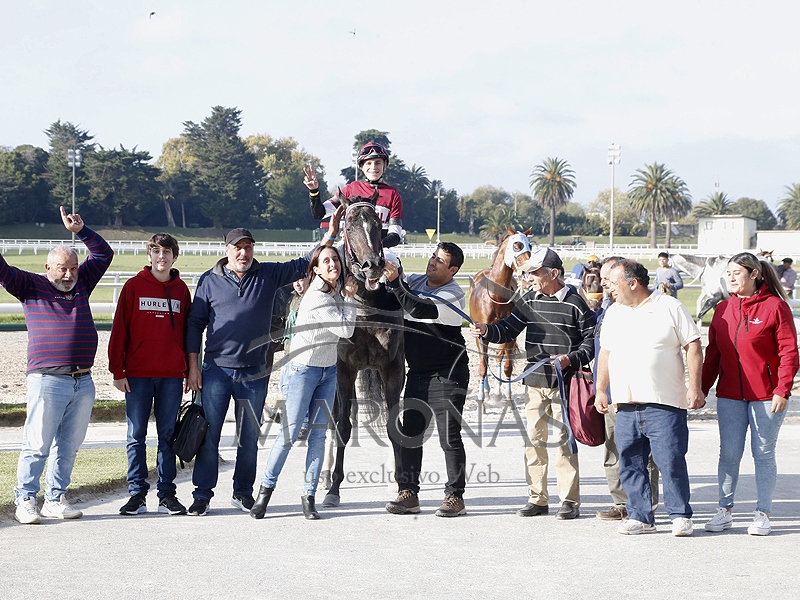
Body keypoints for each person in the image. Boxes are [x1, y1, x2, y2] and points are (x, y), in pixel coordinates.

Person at [185, 214, 340, 517]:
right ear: (227, 250)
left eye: (248, 247)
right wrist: (193, 367)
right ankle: (202, 495)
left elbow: (304, 263)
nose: (243, 253)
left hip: (255, 372)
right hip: (216, 371)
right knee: (209, 435)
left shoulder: (267, 274)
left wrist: (330, 235)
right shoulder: (208, 280)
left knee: (249, 438)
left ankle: (243, 493)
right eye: (238, 247)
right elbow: (194, 325)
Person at [470, 248, 595, 520]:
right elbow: (507, 329)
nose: (529, 278)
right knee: (534, 441)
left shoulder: (576, 303)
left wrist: (570, 359)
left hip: (566, 383)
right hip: (535, 381)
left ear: (553, 274)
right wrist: (486, 329)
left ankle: (569, 501)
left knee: (563, 441)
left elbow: (590, 343)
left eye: (535, 273)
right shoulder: (528, 299)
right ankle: (537, 498)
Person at [7, 207, 114, 525]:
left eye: (73, 268)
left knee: (68, 446)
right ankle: (25, 499)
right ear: (47, 268)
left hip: (83, 381)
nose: (68, 275)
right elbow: (2, 270)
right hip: (47, 379)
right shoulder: (29, 285)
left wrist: (81, 231)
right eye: (62, 269)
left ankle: (54, 499)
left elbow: (104, 254)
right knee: (37, 444)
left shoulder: (82, 283)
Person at [595, 260, 705, 536]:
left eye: (614, 283)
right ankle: (641, 516)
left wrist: (695, 387)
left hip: (664, 403)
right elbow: (605, 353)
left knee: (670, 461)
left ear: (633, 283)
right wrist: (600, 389)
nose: (609, 288)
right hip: (625, 404)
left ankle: (680, 515)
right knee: (630, 462)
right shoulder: (614, 312)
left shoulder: (670, 307)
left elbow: (693, 345)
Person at [250, 245, 357, 520]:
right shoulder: (318, 296)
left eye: (336, 259)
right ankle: (265, 492)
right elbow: (346, 329)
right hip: (304, 370)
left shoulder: (334, 290)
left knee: (319, 436)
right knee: (289, 434)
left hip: (328, 371)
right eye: (326, 261)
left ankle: (309, 496)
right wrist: (350, 299)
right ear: (316, 269)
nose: (333, 264)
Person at [701, 252, 799, 536]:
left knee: (763, 453)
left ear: (754, 274)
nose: (731, 278)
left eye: (737, 273)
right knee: (729, 454)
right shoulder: (722, 309)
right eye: (728, 273)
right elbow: (713, 355)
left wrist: (782, 390)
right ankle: (724, 510)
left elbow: (789, 352)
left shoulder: (775, 307)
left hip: (767, 396)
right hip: (730, 395)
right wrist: (701, 389)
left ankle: (762, 513)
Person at [382, 242, 470, 517]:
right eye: (433, 257)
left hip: (448, 374)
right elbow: (393, 287)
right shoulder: (416, 280)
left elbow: (419, 309)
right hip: (418, 372)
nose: (432, 262)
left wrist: (396, 283)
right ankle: (408, 494)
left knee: (449, 438)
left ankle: (455, 497)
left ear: (453, 270)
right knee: (409, 435)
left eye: (440, 261)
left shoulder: (453, 293)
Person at [109, 233, 193, 516]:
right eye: (156, 251)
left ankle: (167, 494)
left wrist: (187, 370)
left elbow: (188, 334)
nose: (161, 257)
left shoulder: (181, 290)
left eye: (167, 252)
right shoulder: (133, 287)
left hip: (171, 376)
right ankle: (137, 494)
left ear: (174, 257)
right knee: (136, 435)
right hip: (137, 375)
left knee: (167, 436)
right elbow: (119, 330)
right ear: (150, 255)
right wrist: (117, 370)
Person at [593, 256, 660, 521]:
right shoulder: (606, 310)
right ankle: (621, 503)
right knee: (613, 451)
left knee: (644, 454)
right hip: (610, 393)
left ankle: (646, 503)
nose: (604, 284)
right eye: (603, 279)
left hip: (637, 394)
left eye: (608, 279)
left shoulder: (642, 309)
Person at [303, 141, 403, 250]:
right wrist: (314, 191)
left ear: (385, 165)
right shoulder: (350, 189)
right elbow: (319, 213)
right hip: (349, 248)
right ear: (361, 166)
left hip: (380, 249)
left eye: (378, 163)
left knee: (393, 261)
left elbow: (395, 236)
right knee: (329, 259)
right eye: (369, 163)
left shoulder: (393, 195)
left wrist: (373, 247)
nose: (373, 167)